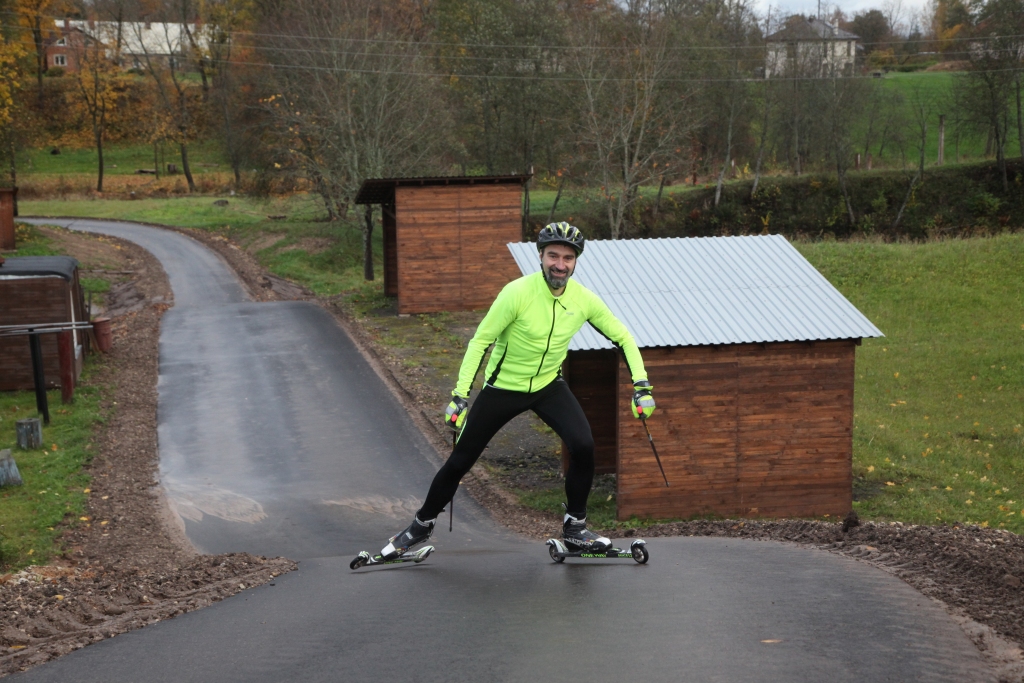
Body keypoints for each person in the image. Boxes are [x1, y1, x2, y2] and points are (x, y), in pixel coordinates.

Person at [379, 222, 655, 560]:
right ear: (540, 256)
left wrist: (641, 386)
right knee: (460, 461)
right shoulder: (516, 293)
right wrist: (460, 395)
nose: (560, 264)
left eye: (568, 258)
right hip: (502, 388)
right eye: (553, 255)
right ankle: (419, 526)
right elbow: (481, 340)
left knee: (583, 445)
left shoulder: (583, 300)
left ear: (576, 262)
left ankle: (575, 528)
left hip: (547, 386)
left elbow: (624, 337)